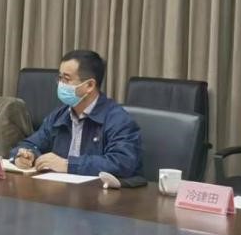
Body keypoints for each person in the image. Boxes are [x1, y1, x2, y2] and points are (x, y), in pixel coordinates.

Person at [10, 49, 142, 177]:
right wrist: (26, 155)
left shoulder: (118, 119)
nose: (60, 84)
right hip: (60, 188)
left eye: (66, 79)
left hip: (98, 190)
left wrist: (69, 165)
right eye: (59, 78)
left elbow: (122, 163)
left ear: (89, 85)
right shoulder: (60, 115)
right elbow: (29, 144)